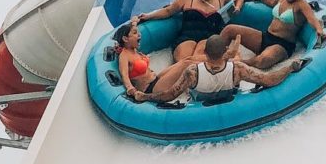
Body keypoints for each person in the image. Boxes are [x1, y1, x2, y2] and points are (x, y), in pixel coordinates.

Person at [130, 33, 308, 104]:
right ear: (224, 52)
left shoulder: (192, 72)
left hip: (200, 100)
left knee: (186, 75)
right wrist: (289, 68)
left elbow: (169, 95)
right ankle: (234, 51)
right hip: (229, 95)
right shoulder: (238, 68)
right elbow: (268, 80)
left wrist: (145, 96)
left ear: (205, 53)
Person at [135, 0, 245, 63]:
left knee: (200, 59)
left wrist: (237, 8)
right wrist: (148, 16)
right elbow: (168, 11)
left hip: (209, 38)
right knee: (184, 60)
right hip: (188, 37)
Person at [221, 0, 326, 68]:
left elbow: (311, 18)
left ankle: (237, 64)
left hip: (282, 45)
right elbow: (272, 2)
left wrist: (319, 29)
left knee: (262, 60)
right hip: (266, 36)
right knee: (229, 29)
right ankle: (214, 58)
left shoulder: (301, 4)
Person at [113, 21, 195, 99]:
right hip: (149, 88)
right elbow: (125, 76)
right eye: (135, 33)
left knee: (187, 60)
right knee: (186, 65)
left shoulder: (133, 50)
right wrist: (131, 89)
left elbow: (131, 27)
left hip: (156, 78)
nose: (139, 35)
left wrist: (135, 21)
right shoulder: (124, 55)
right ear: (125, 39)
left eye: (138, 32)